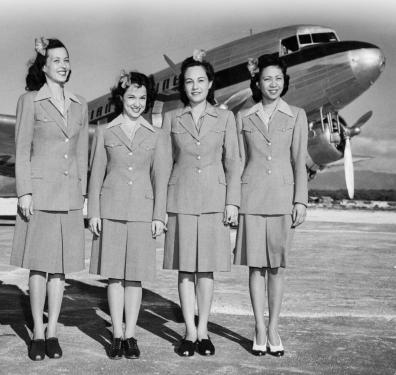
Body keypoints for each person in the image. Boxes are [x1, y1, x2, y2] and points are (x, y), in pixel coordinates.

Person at [10, 37, 88, 361]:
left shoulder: (80, 105)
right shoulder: (30, 101)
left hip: (68, 196)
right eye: (56, 60)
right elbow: (22, 149)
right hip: (40, 194)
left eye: (66, 60)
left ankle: (53, 330)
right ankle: (38, 334)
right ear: (44, 66)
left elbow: (81, 153)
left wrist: (82, 194)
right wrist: (24, 191)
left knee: (60, 270)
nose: (63, 65)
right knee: (39, 267)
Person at [162, 50, 241, 356]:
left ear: (210, 84)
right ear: (183, 86)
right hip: (180, 199)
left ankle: (204, 330)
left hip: (213, 200)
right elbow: (164, 162)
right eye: (188, 81)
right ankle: (189, 332)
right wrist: (160, 211)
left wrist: (232, 201)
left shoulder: (225, 118)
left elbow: (234, 162)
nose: (195, 86)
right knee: (185, 270)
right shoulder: (171, 119)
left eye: (200, 80)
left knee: (205, 271)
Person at [88, 71, 170, 359]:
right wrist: (93, 212)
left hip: (142, 212)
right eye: (132, 97)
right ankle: (117, 334)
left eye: (142, 98)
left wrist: (159, 215)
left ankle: (132, 335)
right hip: (110, 211)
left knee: (135, 278)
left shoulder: (156, 135)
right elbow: (96, 175)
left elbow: (161, 178)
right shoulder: (105, 131)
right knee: (114, 277)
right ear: (121, 98)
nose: (137, 103)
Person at [234, 54, 308, 356]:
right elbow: (238, 162)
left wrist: (300, 199)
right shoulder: (243, 116)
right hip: (251, 200)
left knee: (277, 267)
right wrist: (233, 203)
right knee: (256, 268)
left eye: (278, 78)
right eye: (267, 78)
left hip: (282, 199)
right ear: (257, 82)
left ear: (284, 81)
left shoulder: (296, 115)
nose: (273, 84)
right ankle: (259, 328)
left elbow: (299, 161)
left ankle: (274, 326)